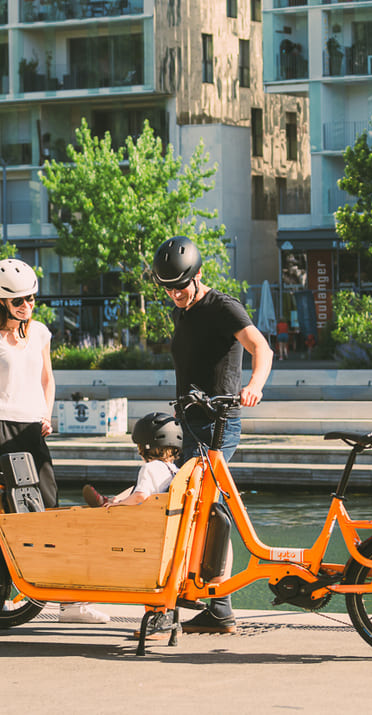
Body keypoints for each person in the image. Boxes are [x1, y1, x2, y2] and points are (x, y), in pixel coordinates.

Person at [0, 258, 108, 624]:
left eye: (31, 298)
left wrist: (46, 415)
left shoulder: (41, 334)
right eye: (18, 301)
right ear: (2, 301)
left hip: (31, 432)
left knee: (49, 513)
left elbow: (48, 380)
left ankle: (69, 604)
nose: (26, 306)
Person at [152, 235, 273, 634]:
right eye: (168, 289)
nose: (175, 295)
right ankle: (215, 605)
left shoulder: (224, 307)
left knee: (198, 509)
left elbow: (262, 348)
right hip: (190, 425)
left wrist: (254, 385)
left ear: (199, 275)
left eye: (181, 287)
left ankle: (189, 604)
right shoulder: (182, 312)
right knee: (200, 509)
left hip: (218, 425)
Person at [83, 412, 181, 508]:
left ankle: (108, 502)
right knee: (137, 487)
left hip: (147, 515)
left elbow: (139, 496)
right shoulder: (175, 470)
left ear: (145, 447)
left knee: (125, 502)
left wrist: (120, 504)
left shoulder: (150, 468)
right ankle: (110, 500)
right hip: (167, 512)